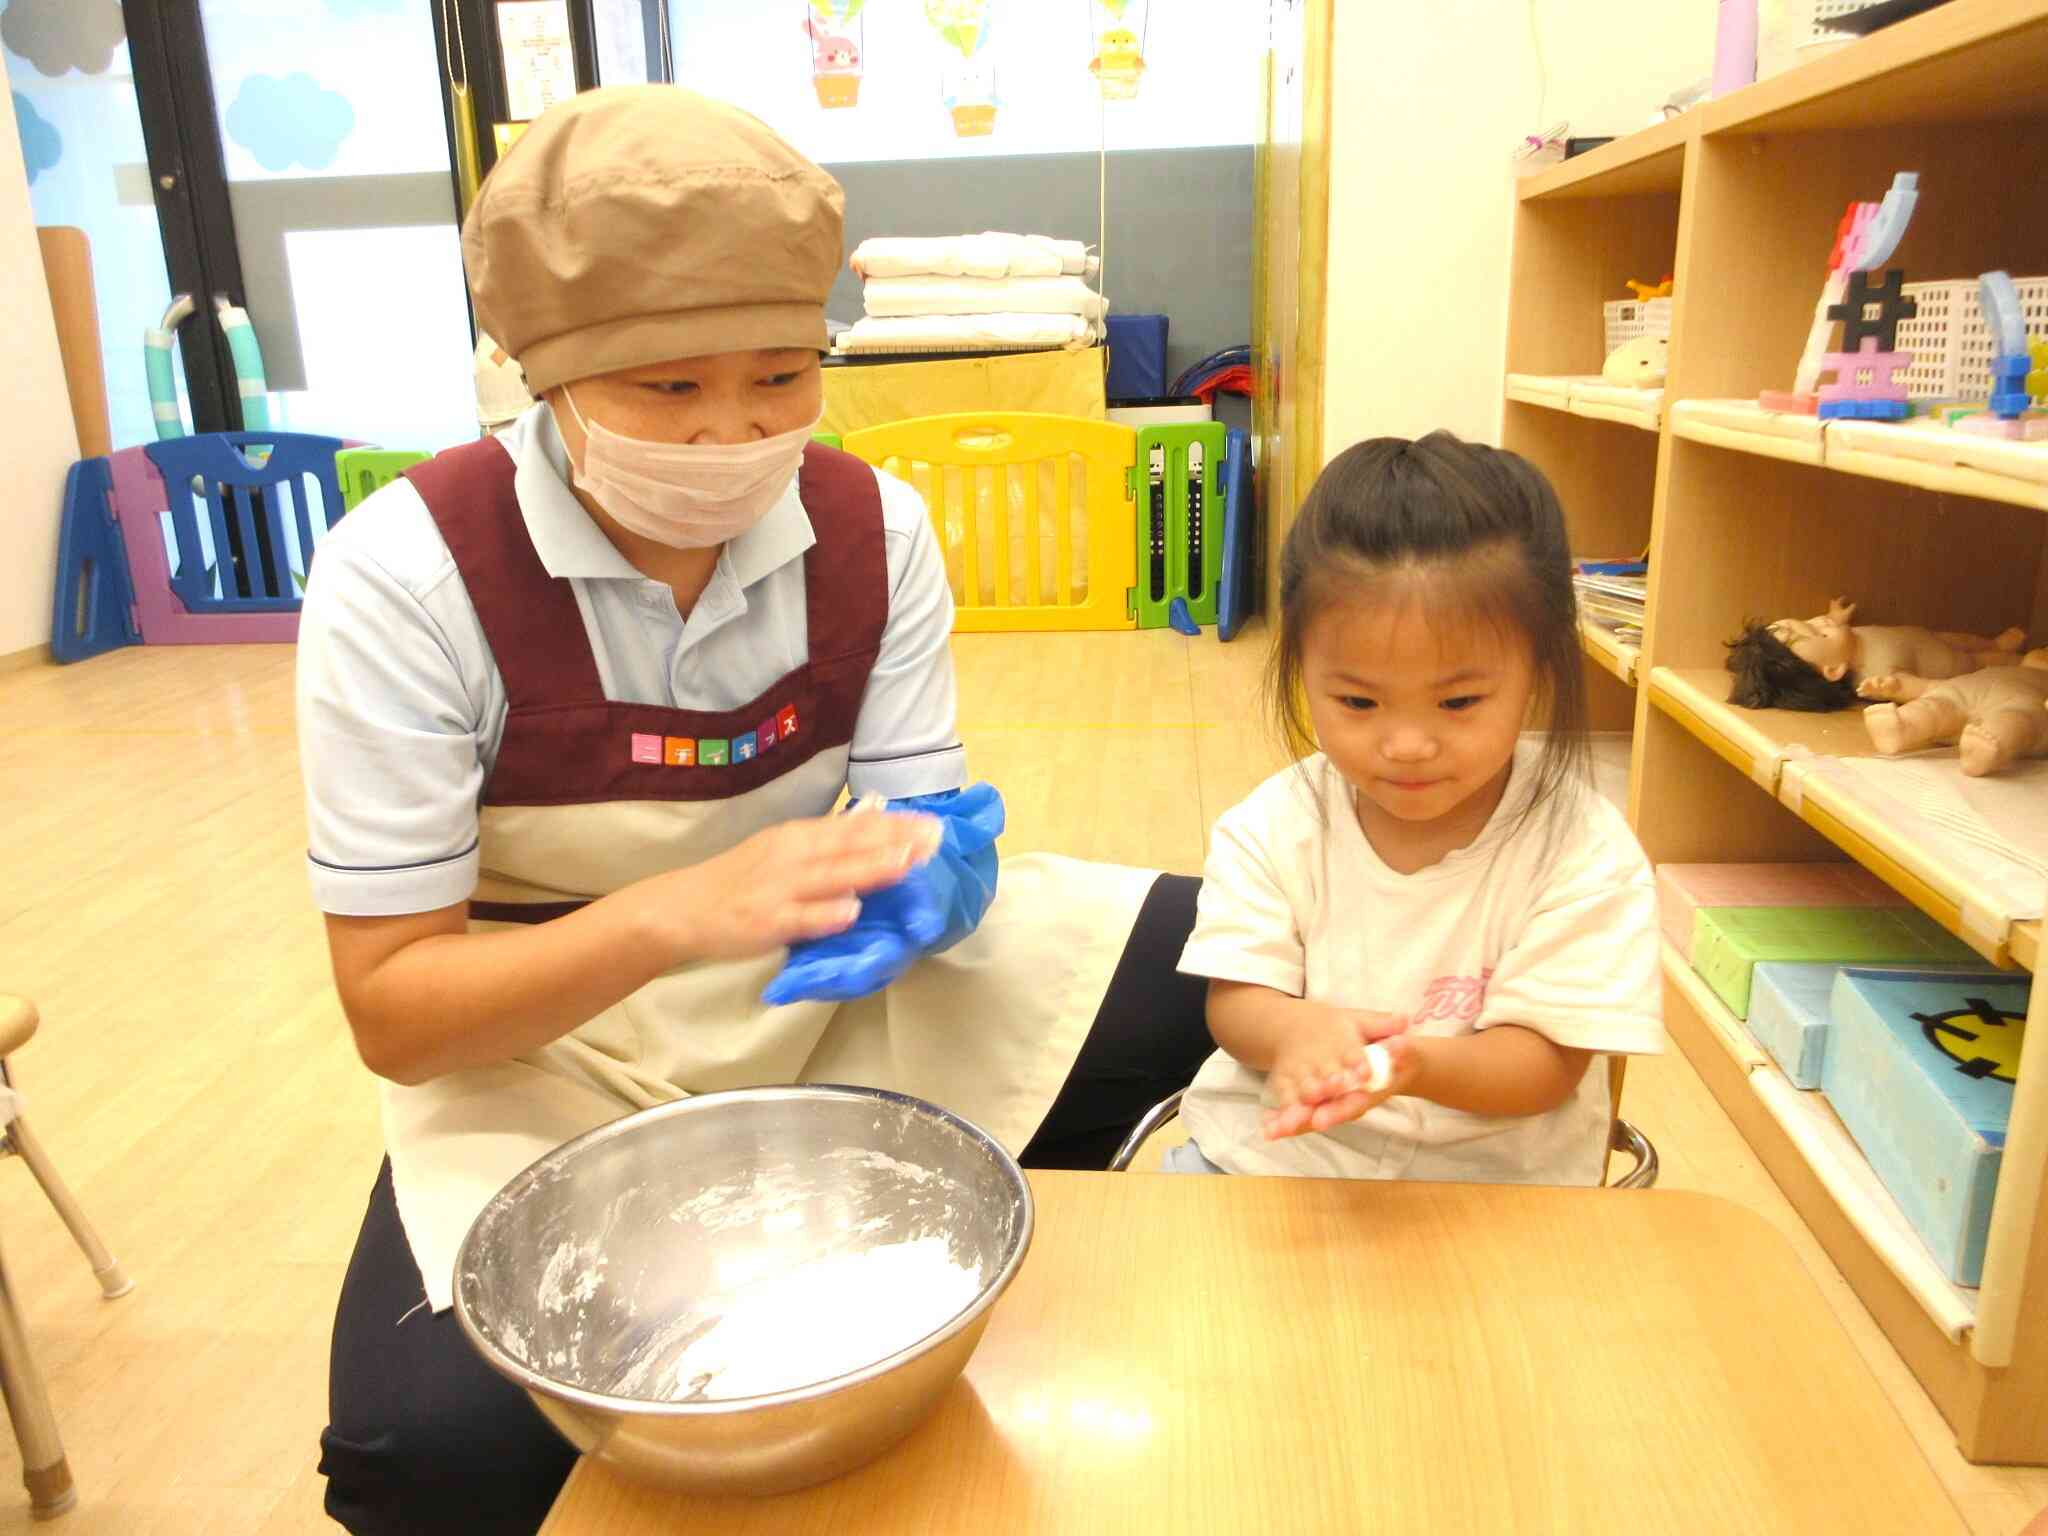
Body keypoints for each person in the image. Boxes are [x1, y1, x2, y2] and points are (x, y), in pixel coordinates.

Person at [297, 85, 1212, 1536]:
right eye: (669, 389)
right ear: (544, 372)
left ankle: (917, 1220)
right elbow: (397, 1008)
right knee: (431, 1455)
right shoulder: (403, 580)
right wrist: (673, 913)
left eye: (782, 376)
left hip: (818, 984)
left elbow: (914, 808)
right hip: (551, 1045)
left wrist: (938, 870)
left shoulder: (873, 529)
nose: (733, 432)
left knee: (1227, 954)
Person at [1161, 434, 1663, 1181]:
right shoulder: (1274, 824)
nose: (1405, 745)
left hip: (1496, 1192)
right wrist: (1297, 1029)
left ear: (1540, 668)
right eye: (1357, 701)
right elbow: (1235, 998)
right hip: (1278, 1162)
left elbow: (1545, 1067)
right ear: (1301, 667)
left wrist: (1404, 1065)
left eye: (1459, 701)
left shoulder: (1583, 849)